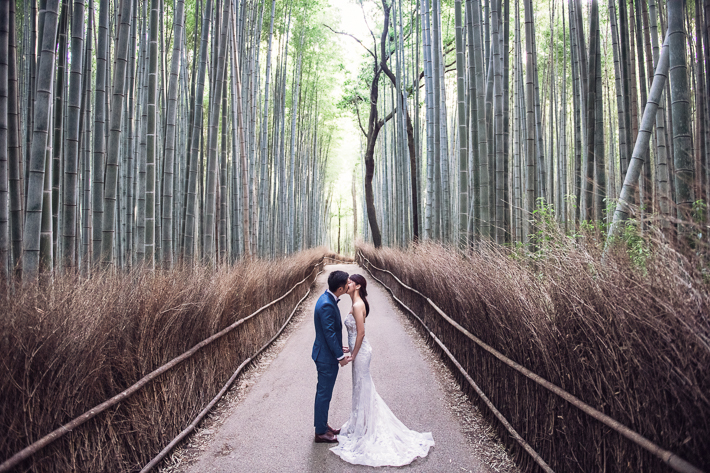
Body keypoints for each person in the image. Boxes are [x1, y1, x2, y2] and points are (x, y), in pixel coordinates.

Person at [330, 274, 435, 466]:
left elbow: (361, 333)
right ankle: (361, 423)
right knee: (360, 387)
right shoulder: (355, 302)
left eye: (350, 282)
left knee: (363, 386)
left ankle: (366, 426)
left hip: (361, 353)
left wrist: (353, 354)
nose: (347, 285)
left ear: (358, 285)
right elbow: (355, 332)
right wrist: (348, 348)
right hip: (358, 350)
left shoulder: (357, 305)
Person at [312, 270, 352, 443]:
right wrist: (340, 356)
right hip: (326, 357)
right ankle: (320, 432)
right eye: (348, 283)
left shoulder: (326, 298)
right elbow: (328, 333)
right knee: (324, 394)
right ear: (341, 288)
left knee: (323, 392)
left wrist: (339, 346)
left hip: (324, 353)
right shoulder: (327, 304)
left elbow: (329, 332)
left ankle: (322, 424)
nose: (351, 284)